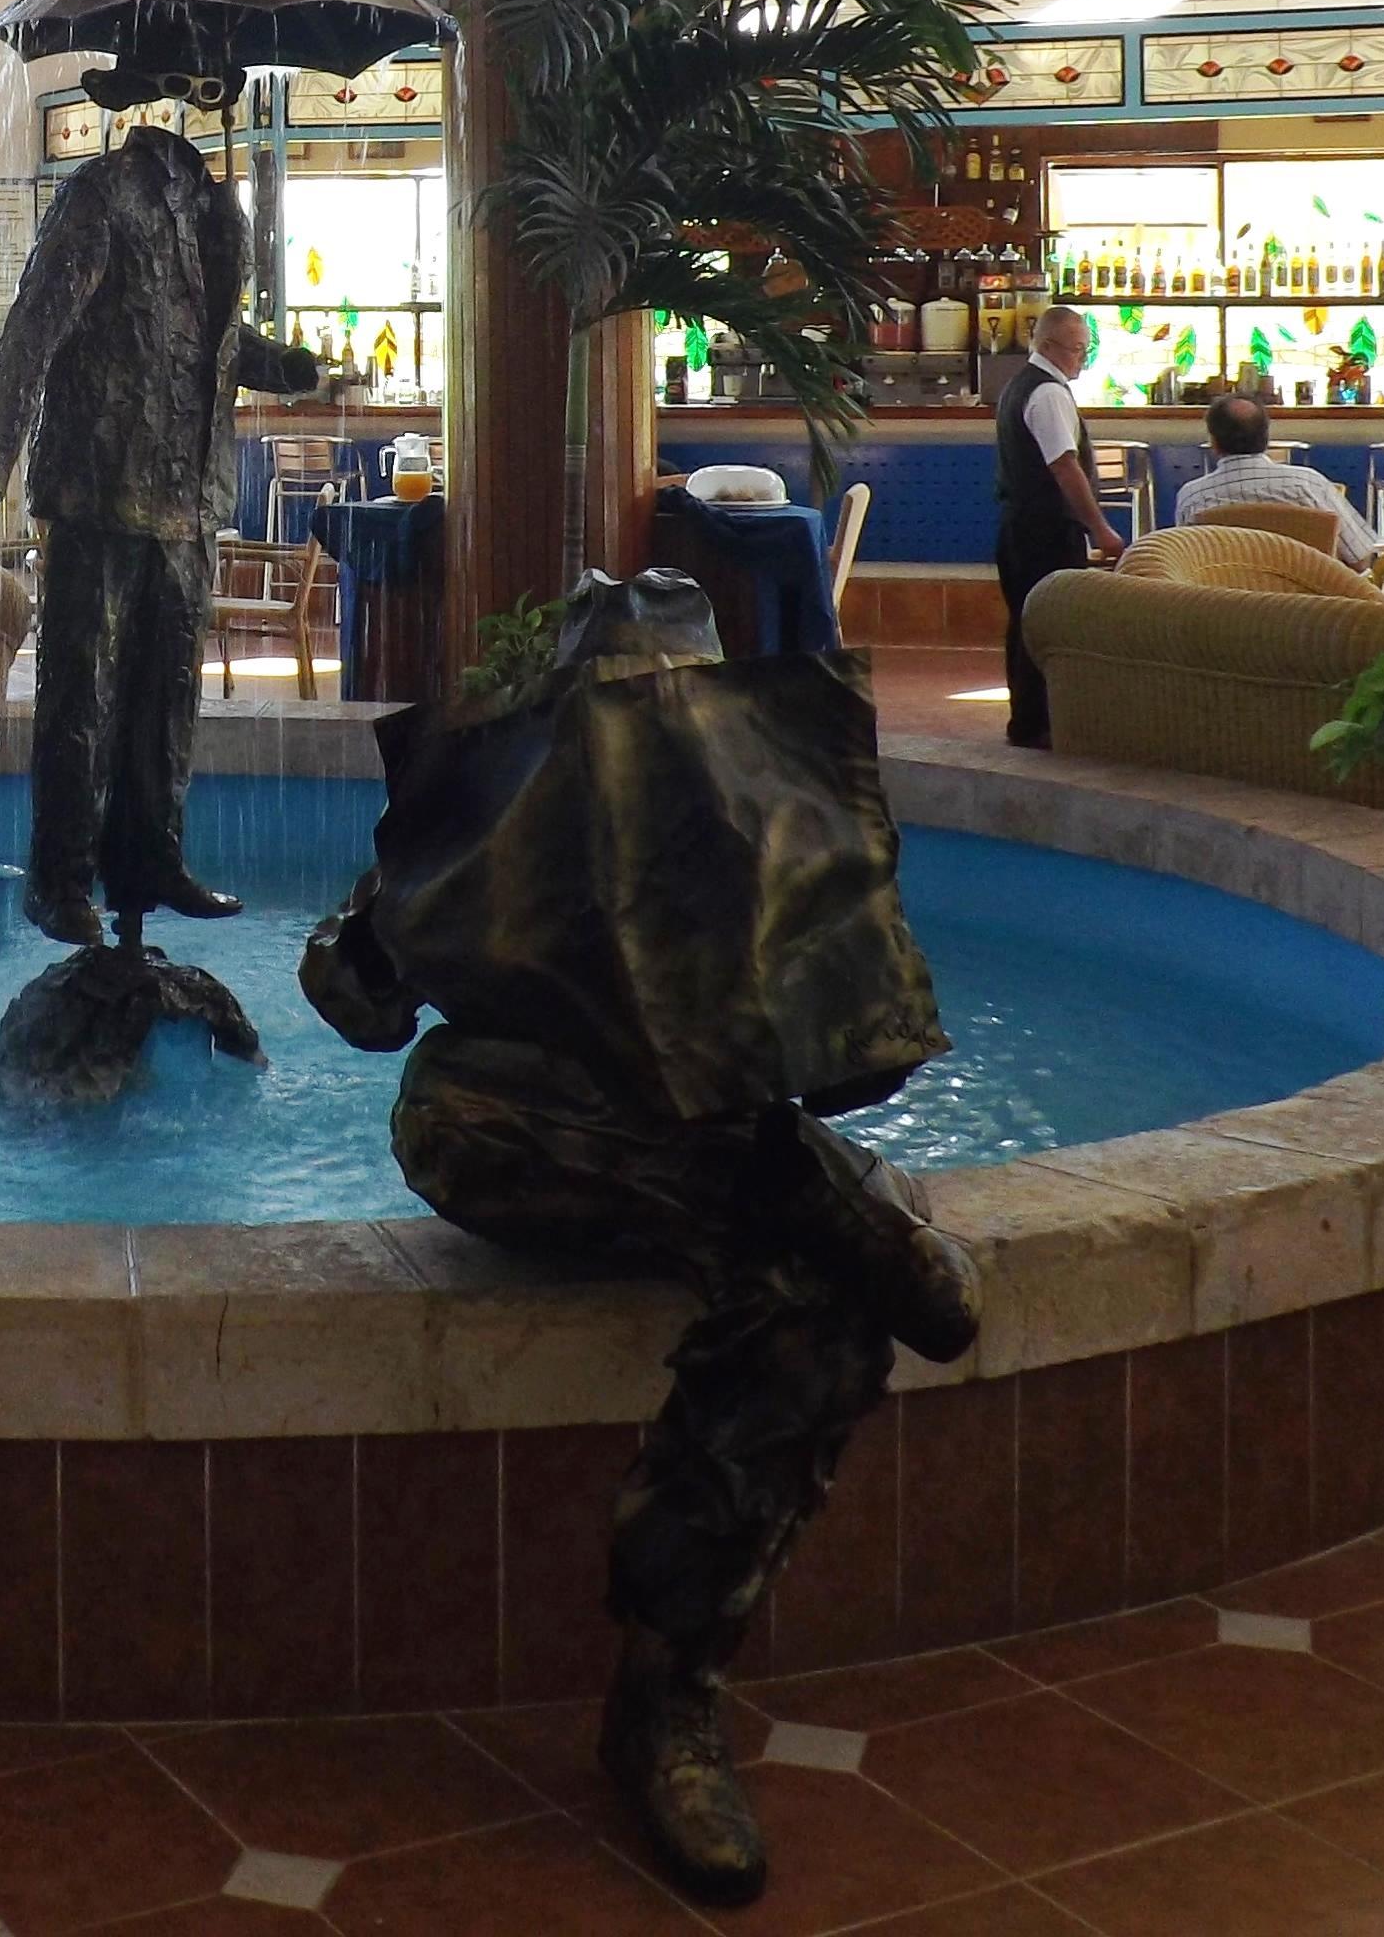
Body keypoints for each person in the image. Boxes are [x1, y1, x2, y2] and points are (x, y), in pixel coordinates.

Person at [300, 574, 975, 1905]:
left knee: (815, 1311)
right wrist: (415, 900)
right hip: (532, 1134)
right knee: (476, 1107)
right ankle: (800, 1188)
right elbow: (362, 1009)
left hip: (694, 1146)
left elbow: (861, 1051)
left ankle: (665, 1698)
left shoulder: (764, 817)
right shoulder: (510, 799)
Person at [0, 74, 321, 944]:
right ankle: (60, 880)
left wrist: (282, 366)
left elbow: (205, 343)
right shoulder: (103, 193)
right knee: (82, 693)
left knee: (169, 696)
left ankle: (151, 858)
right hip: (101, 488)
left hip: (189, 500)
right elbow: (36, 323)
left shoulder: (213, 212)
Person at [992, 306, 1128, 746]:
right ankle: (1039, 724)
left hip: (1020, 526)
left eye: (1086, 350)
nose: (1082, 359)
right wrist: (1100, 528)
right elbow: (1064, 467)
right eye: (1076, 349)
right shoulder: (1048, 393)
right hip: (1045, 529)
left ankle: (1029, 722)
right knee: (1046, 623)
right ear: (1048, 346)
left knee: (1027, 623)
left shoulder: (1018, 386)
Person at [1176, 389, 1384, 561]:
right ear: (1266, 437)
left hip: (1225, 599)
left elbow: (1184, 566)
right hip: (1306, 599)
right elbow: (1360, 558)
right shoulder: (1308, 484)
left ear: (1213, 442)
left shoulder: (1194, 497)